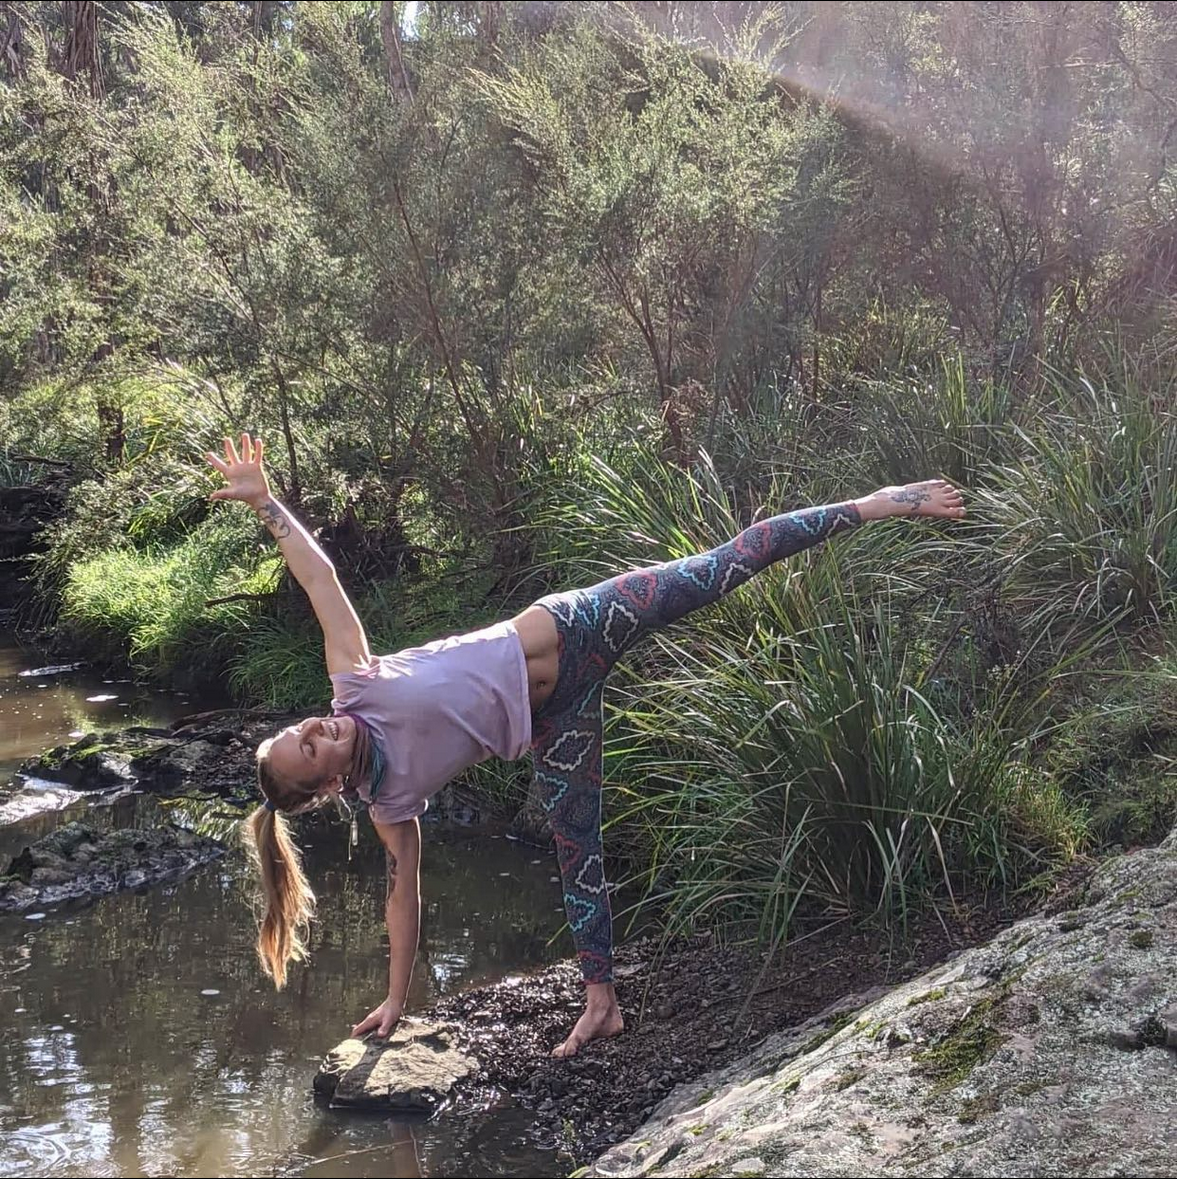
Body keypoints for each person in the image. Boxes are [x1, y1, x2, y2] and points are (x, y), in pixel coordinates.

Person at [205, 433, 967, 1058]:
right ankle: (600, 1004)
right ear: (328, 787)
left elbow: (319, 577)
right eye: (308, 750)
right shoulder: (389, 804)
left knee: (719, 568)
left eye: (301, 727)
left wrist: (268, 502)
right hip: (557, 719)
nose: (314, 729)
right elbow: (401, 897)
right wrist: (397, 1000)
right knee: (579, 852)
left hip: (576, 624)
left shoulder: (354, 684)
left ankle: (876, 505)